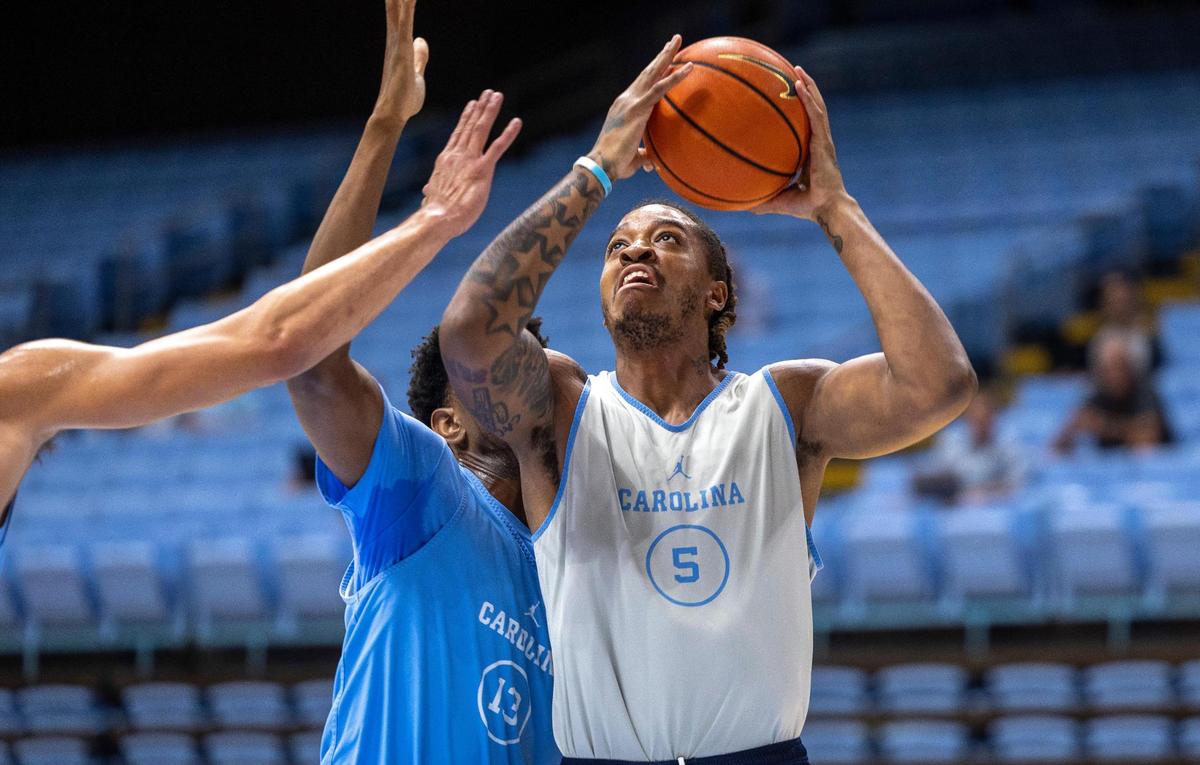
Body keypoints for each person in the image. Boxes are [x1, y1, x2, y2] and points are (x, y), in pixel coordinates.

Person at [440, 36, 976, 764]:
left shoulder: (786, 403)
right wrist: (597, 171)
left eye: (667, 239)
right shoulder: (562, 407)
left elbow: (940, 383)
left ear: (716, 292)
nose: (635, 250)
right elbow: (469, 331)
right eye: (618, 246)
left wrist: (835, 208)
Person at [0, 9, 519, 559]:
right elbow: (291, 350)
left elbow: (290, 346)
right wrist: (431, 214)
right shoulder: (20, 390)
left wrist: (387, 131)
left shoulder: (19, 389)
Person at [282, 1, 556, 761]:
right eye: (493, 370)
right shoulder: (429, 490)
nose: (526, 382)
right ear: (447, 424)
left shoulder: (571, 572)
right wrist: (384, 128)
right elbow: (310, 358)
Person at [1055, 333, 1172, 453]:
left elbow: (1148, 439)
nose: (1113, 375)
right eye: (1106, 369)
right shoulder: (1097, 394)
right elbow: (1056, 448)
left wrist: (1104, 426)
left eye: (1118, 367)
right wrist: (1070, 432)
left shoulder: (1145, 391)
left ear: (1130, 367)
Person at [913, 387, 1025, 503]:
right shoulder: (951, 440)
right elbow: (938, 472)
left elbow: (1017, 485)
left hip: (993, 502)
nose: (979, 425)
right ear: (968, 419)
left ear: (993, 418)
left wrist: (984, 493)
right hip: (953, 501)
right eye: (975, 419)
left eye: (984, 419)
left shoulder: (1010, 444)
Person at [1087, 270, 1163, 381]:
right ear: (1104, 305)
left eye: (1123, 300)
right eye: (1114, 301)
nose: (1120, 307)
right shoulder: (1098, 342)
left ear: (1134, 300)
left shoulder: (1151, 337)